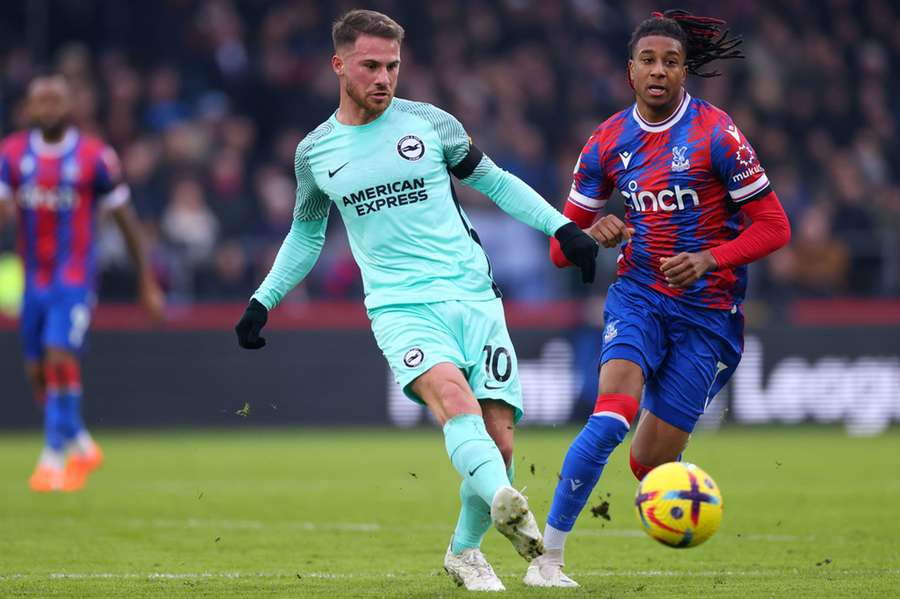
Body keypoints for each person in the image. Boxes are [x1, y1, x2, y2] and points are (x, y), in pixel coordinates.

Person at [234, 9, 599, 592]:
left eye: (393, 66)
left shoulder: (431, 124)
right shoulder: (315, 153)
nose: (384, 77)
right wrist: (264, 298)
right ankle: (506, 501)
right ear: (339, 66)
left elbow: (495, 181)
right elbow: (306, 234)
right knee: (455, 403)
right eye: (370, 66)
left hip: (474, 295)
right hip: (400, 308)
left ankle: (464, 551)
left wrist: (562, 228)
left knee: (500, 438)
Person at [524, 10, 791, 587]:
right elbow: (558, 251)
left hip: (710, 315)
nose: (659, 71)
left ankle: (666, 490)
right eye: (648, 60)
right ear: (630, 71)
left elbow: (775, 226)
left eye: (671, 62)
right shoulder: (606, 141)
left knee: (648, 464)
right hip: (639, 295)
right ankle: (546, 560)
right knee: (610, 416)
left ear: (685, 72)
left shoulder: (718, 134)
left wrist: (709, 258)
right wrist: (590, 236)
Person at [0, 75, 165, 492]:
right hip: (32, 277)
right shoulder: (12, 154)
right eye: (42, 100)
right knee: (37, 370)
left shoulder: (94, 157)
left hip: (74, 277)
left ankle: (53, 457)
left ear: (69, 105)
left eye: (57, 99)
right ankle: (81, 442)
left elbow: (126, 222)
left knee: (59, 356)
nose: (50, 107)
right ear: (29, 108)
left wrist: (146, 280)